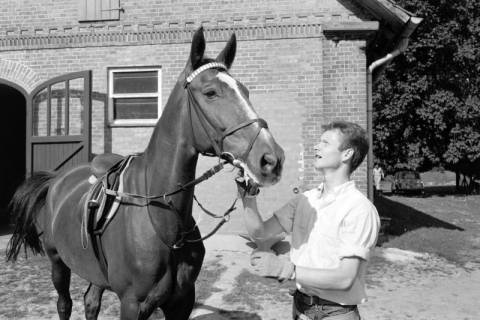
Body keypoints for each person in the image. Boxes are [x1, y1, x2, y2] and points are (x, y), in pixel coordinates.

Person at [236, 120, 380, 320]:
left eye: (325, 143)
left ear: (347, 154)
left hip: (335, 314)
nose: (316, 146)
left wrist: (284, 269)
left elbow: (345, 278)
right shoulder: (305, 200)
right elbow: (261, 234)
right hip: (300, 309)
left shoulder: (359, 209)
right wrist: (248, 199)